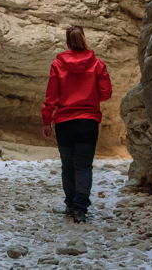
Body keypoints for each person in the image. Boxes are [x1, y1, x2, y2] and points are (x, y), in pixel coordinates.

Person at [41, 25, 112, 223]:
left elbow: (51, 97)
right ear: (84, 39)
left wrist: (47, 120)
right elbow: (106, 93)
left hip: (64, 122)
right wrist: (89, 96)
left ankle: (70, 205)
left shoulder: (58, 64)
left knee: (67, 165)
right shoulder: (97, 64)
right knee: (83, 166)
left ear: (67, 41)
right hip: (88, 121)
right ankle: (80, 208)